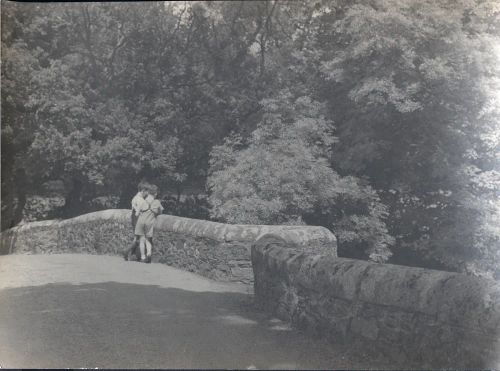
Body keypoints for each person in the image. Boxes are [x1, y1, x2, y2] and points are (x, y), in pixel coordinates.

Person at [135, 184, 163, 263]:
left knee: (141, 240)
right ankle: (149, 254)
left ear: (148, 192)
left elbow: (137, 213)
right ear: (156, 193)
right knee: (148, 239)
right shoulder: (157, 202)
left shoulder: (142, 200)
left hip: (141, 221)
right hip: (149, 221)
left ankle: (143, 257)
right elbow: (160, 211)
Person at [123, 182, 149, 261]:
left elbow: (133, 209)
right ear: (143, 190)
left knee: (136, 238)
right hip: (139, 221)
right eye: (146, 191)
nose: (147, 193)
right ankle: (142, 257)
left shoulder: (134, 198)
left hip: (134, 220)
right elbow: (137, 212)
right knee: (142, 238)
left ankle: (130, 253)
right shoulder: (140, 200)